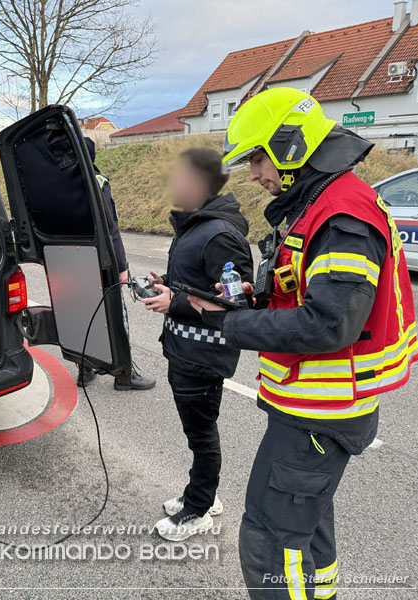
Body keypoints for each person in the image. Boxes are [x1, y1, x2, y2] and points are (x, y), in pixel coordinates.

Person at [188, 87, 418, 600]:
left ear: (290, 147)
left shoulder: (343, 215)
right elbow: (315, 288)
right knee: (308, 526)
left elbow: (327, 325)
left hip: (323, 410)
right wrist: (262, 294)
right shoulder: (322, 202)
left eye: (256, 158)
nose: (253, 174)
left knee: (271, 541)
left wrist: (230, 326)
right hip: (320, 407)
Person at [140, 148, 252, 541]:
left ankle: (198, 509)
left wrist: (177, 302)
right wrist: (168, 287)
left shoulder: (220, 234)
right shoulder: (196, 226)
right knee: (198, 433)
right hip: (184, 349)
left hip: (202, 356)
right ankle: (204, 493)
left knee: (201, 434)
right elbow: (199, 286)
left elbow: (238, 302)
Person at [79, 137, 155, 391]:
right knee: (115, 316)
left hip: (72, 262)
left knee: (83, 314)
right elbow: (111, 230)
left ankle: (84, 368)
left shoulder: (58, 184)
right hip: (102, 263)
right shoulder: (98, 182)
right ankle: (124, 375)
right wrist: (122, 268)